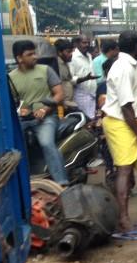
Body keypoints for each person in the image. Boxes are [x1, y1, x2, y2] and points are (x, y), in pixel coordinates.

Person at [103, 31, 137, 239]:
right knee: (124, 170)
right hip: (120, 122)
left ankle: (123, 218)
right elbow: (126, 107)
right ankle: (123, 223)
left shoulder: (130, 64)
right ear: (135, 46)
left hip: (123, 121)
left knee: (130, 170)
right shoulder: (124, 68)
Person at [8, 39, 69, 185]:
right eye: (30, 54)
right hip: (23, 120)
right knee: (11, 147)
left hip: (47, 118)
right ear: (19, 58)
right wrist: (20, 110)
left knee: (46, 142)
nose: (35, 57)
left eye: (35, 53)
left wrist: (45, 109)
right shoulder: (10, 78)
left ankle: (62, 182)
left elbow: (59, 94)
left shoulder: (46, 70)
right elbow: (11, 103)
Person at [90, 39, 118, 119]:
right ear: (110, 50)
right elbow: (99, 79)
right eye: (116, 49)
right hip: (104, 89)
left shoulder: (115, 60)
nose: (117, 52)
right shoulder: (97, 61)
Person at [70, 36, 98, 114]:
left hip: (92, 94)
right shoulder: (73, 57)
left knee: (92, 120)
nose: (87, 45)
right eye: (84, 43)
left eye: (88, 43)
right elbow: (70, 79)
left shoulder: (89, 55)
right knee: (86, 121)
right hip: (81, 96)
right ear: (77, 44)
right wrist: (85, 78)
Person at [54, 38, 78, 109]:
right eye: (68, 52)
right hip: (63, 103)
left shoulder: (65, 63)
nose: (71, 54)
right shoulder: (57, 65)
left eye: (72, 52)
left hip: (69, 101)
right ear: (59, 52)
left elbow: (68, 80)